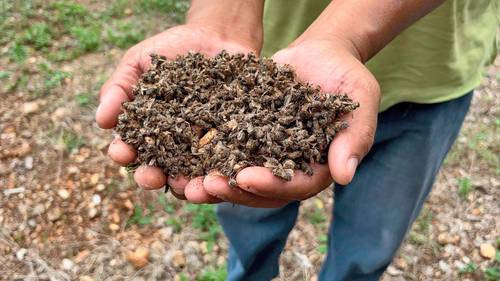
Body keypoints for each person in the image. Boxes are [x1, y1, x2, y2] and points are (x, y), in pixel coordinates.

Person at [95, 0, 498, 280]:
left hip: (428, 79)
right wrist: (221, 19)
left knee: (370, 242)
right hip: (271, 58)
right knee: (247, 220)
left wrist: (345, 37)